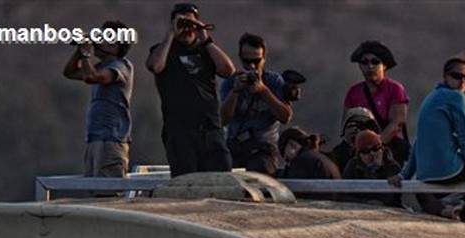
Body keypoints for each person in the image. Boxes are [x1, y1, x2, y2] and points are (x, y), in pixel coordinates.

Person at [388, 55, 465, 219]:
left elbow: (420, 142)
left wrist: (404, 175)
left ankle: (445, 208)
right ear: (445, 76)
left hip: (426, 175)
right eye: (457, 76)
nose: (462, 81)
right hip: (448, 172)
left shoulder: (430, 98)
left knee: (426, 192)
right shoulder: (456, 97)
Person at [146, 2, 234, 177]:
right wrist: (171, 34)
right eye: (182, 24)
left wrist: (205, 38)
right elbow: (155, 66)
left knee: (221, 181)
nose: (187, 29)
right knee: (186, 184)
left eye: (191, 24)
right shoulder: (163, 50)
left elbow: (228, 70)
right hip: (180, 131)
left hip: (211, 129)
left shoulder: (206, 50)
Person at [62, 20, 134, 177]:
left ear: (116, 46)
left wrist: (86, 52)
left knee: (108, 195)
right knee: (92, 190)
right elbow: (69, 72)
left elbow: (91, 77)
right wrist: (80, 50)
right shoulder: (99, 66)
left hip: (112, 139)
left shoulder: (122, 66)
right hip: (95, 138)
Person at [220, 33, 293, 175]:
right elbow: (223, 119)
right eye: (247, 62)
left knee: (259, 169)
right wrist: (235, 92)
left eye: (256, 61)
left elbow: (285, 116)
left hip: (263, 148)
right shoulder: (231, 82)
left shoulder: (273, 81)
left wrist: (264, 91)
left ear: (264, 59)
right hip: (235, 146)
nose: (252, 66)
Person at [343, 40, 410, 163]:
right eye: (364, 62)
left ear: (384, 66)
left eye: (375, 62)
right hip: (359, 147)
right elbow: (346, 124)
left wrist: (375, 144)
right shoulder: (353, 92)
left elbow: (397, 122)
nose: (370, 66)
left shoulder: (395, 89)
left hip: (390, 144)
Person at [341, 129, 402, 207]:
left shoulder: (391, 166)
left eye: (376, 148)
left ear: (382, 149)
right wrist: (365, 202)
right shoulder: (353, 166)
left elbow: (388, 198)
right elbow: (343, 196)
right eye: (366, 151)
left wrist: (376, 171)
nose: (372, 153)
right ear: (359, 154)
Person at [278, 127, 342, 181]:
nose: (289, 164)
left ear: (292, 145)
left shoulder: (301, 163)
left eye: (287, 159)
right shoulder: (325, 158)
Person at [330, 107, 379, 173]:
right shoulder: (336, 154)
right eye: (351, 126)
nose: (356, 130)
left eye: (361, 126)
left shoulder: (380, 152)